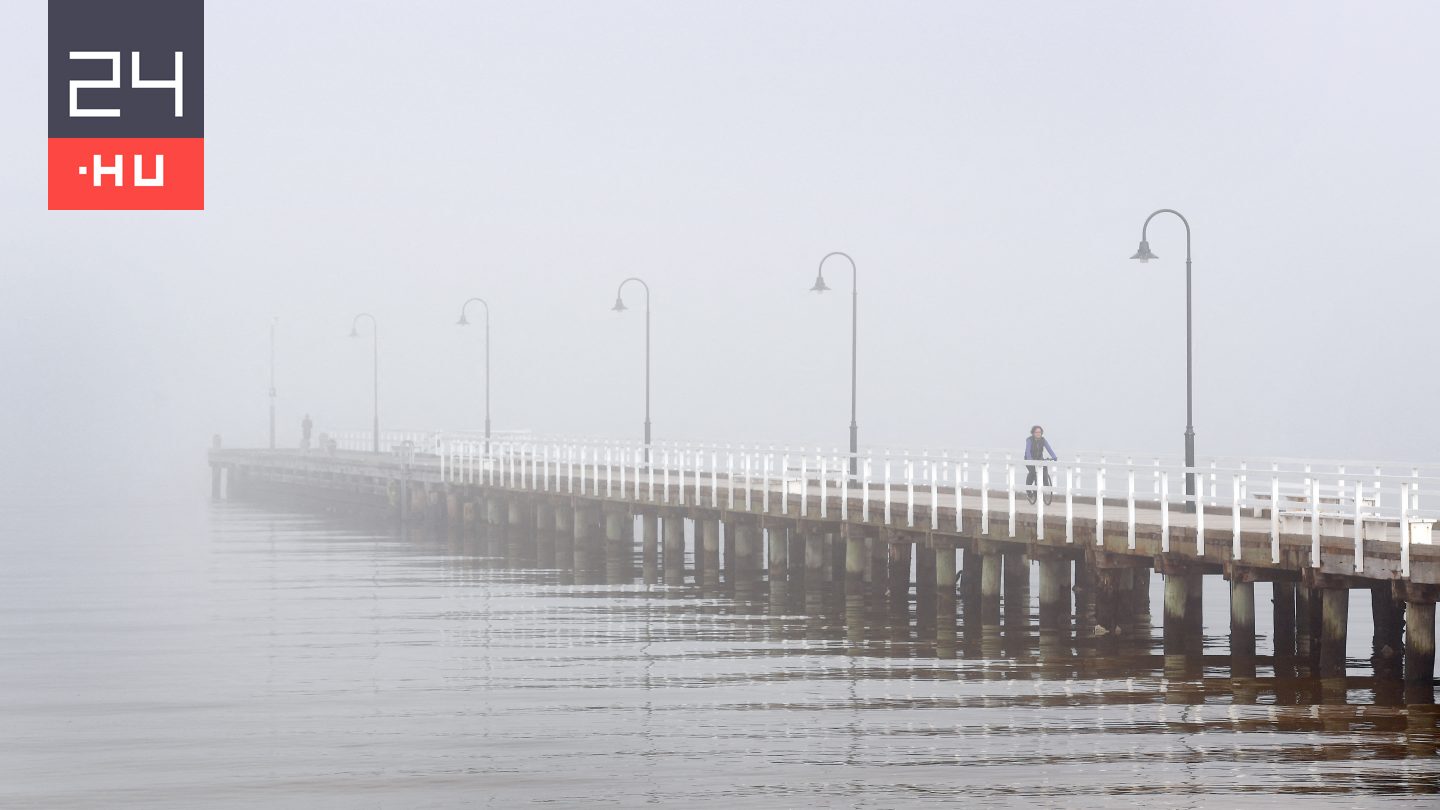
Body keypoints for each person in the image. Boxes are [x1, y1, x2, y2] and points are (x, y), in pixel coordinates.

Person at [1023, 425, 1056, 504]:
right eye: (1036, 432)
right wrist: (1030, 460)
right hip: (1029, 460)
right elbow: (1027, 451)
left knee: (1044, 470)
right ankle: (1029, 491)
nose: (1038, 434)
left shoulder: (1043, 440)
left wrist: (1054, 456)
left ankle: (1045, 486)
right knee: (1033, 473)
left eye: (1039, 432)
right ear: (1033, 433)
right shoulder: (1029, 440)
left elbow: (1049, 448)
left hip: (1039, 459)